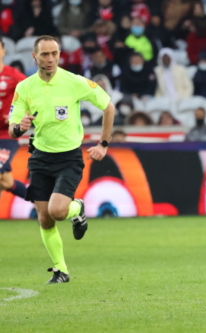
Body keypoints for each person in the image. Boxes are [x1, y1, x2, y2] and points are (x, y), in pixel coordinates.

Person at [8, 35, 115, 284]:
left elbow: (108, 107)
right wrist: (19, 128)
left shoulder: (73, 82)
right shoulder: (25, 87)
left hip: (68, 157)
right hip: (39, 156)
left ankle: (77, 209)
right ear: (34, 57)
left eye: (54, 53)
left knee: (57, 212)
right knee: (43, 217)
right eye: (45, 54)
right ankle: (61, 270)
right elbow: (13, 126)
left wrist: (104, 143)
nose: (50, 59)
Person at [0, 37, 27, 201]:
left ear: (3, 51)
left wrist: (16, 116)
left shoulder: (13, 76)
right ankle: (41, 201)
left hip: (6, 136)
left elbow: (34, 96)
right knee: (6, 181)